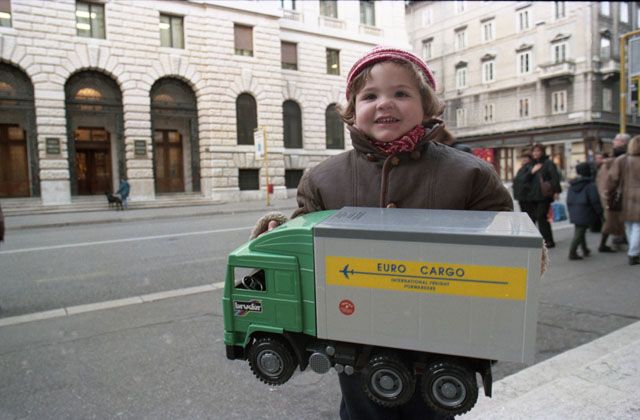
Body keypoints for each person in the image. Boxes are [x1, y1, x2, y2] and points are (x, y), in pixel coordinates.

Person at [254, 46, 513, 420]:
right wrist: (279, 234)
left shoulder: (469, 173)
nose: (384, 103)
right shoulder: (323, 178)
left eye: (401, 93)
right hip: (356, 335)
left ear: (426, 106)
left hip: (443, 334)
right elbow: (304, 235)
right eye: (369, 96)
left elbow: (504, 239)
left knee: (434, 410)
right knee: (363, 411)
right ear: (352, 109)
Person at [606, 135, 640, 265]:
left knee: (629, 225)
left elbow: (612, 179)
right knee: (637, 226)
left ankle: (634, 250)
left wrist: (608, 192)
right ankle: (634, 252)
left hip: (626, 196)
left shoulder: (622, 160)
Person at [597, 134, 629, 252]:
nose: (614, 141)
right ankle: (605, 243)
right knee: (612, 219)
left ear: (623, 142)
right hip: (614, 194)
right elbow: (612, 179)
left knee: (614, 219)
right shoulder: (618, 159)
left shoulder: (615, 159)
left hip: (612, 193)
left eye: (617, 140)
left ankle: (621, 238)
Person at [566, 162, 603, 260]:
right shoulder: (590, 185)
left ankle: (584, 249)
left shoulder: (573, 184)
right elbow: (595, 200)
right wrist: (600, 212)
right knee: (580, 231)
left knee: (580, 229)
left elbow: (569, 198)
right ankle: (572, 251)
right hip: (585, 209)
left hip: (574, 208)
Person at [527, 143, 562, 248]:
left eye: (538, 151)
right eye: (534, 151)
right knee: (536, 217)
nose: (535, 153)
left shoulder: (548, 163)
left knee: (542, 217)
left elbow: (554, 177)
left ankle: (548, 240)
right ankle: (543, 239)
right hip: (533, 195)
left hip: (544, 195)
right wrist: (532, 171)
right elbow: (527, 178)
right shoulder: (532, 164)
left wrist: (556, 191)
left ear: (542, 152)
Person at [513, 153, 534, 222]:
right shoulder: (522, 168)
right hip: (521, 195)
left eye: (526, 158)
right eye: (523, 158)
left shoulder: (531, 167)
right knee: (524, 214)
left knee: (529, 215)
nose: (524, 159)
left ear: (530, 159)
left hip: (527, 195)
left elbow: (525, 179)